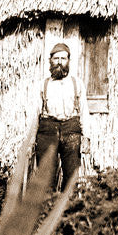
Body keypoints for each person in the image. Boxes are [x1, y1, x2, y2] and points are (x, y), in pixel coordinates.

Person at [35, 42, 90, 191]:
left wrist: (87, 137)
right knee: (45, 176)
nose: (59, 62)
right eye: (56, 58)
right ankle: (47, 210)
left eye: (63, 58)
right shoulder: (43, 85)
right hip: (47, 129)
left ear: (68, 61)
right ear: (50, 61)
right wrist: (30, 141)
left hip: (71, 128)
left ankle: (68, 210)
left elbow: (84, 111)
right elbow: (35, 114)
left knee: (72, 175)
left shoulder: (77, 83)